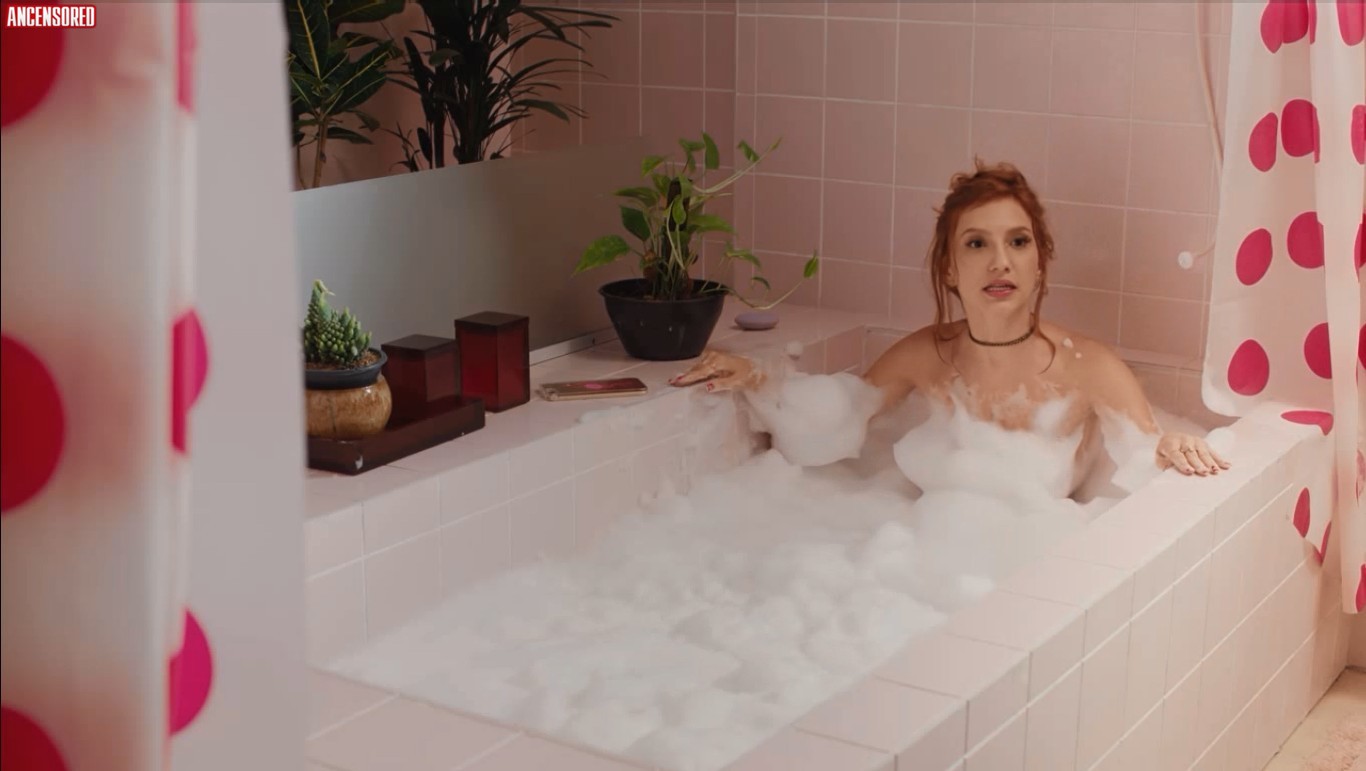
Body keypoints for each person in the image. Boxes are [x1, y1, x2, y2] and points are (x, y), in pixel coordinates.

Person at [669, 159, 1230, 482]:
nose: (1000, 262)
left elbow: (1145, 449)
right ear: (950, 268)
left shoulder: (1089, 367)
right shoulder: (924, 356)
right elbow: (830, 426)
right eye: (977, 243)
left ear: (1040, 261)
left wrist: (1168, 446)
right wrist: (759, 378)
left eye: (1018, 242)